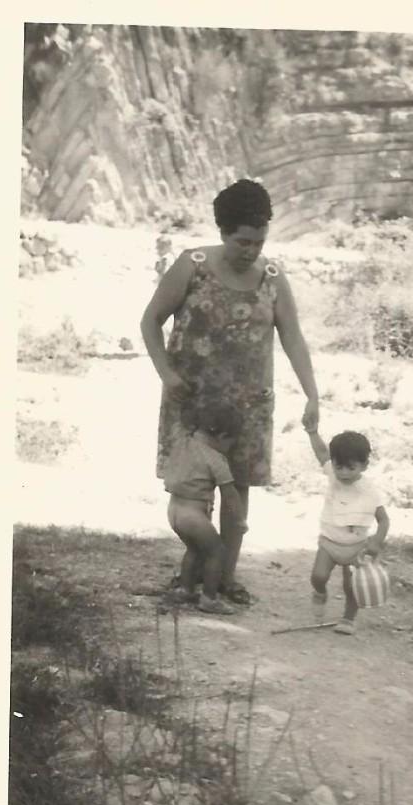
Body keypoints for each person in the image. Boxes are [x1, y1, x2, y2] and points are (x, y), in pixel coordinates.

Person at [140, 178, 319, 605]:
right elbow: (150, 322)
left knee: (237, 498)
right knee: (194, 493)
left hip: (247, 411)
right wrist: (166, 372)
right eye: (242, 241)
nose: (251, 250)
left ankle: (225, 578)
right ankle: (195, 572)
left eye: (259, 241)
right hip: (193, 405)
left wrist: (313, 394)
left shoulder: (273, 278)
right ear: (223, 232)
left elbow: (293, 338)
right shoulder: (192, 264)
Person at [163, 399, 247, 615]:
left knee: (194, 550)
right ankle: (209, 598)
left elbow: (177, 423)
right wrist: (239, 520)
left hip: (174, 511)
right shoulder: (216, 459)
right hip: (194, 516)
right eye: (231, 443)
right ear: (222, 437)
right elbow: (230, 495)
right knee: (217, 551)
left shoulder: (182, 442)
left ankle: (186, 588)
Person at [305, 426, 390, 635]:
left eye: (350, 468)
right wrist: (313, 432)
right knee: (318, 576)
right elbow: (322, 453)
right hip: (329, 541)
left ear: (364, 465)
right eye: (338, 466)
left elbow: (384, 520)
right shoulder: (333, 477)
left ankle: (348, 618)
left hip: (356, 546)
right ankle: (320, 592)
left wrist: (376, 542)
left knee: (352, 585)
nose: (343, 473)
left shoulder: (369, 491)